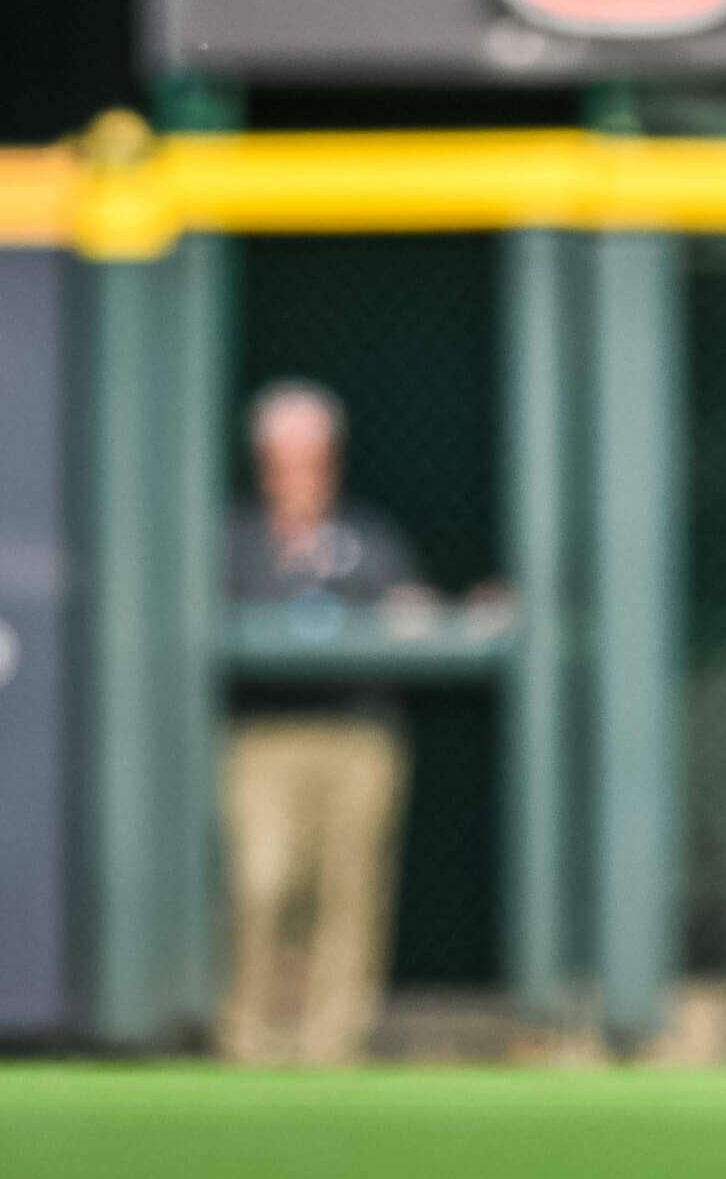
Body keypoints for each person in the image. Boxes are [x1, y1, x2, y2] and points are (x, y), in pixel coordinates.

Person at [221, 379, 432, 1065]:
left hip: (356, 733)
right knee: (262, 882)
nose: (298, 468)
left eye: (311, 453)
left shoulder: (368, 538)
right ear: (261, 458)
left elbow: (411, 610)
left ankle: (333, 1045)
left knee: (350, 891)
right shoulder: (236, 539)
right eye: (284, 453)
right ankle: (248, 1039)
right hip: (265, 736)